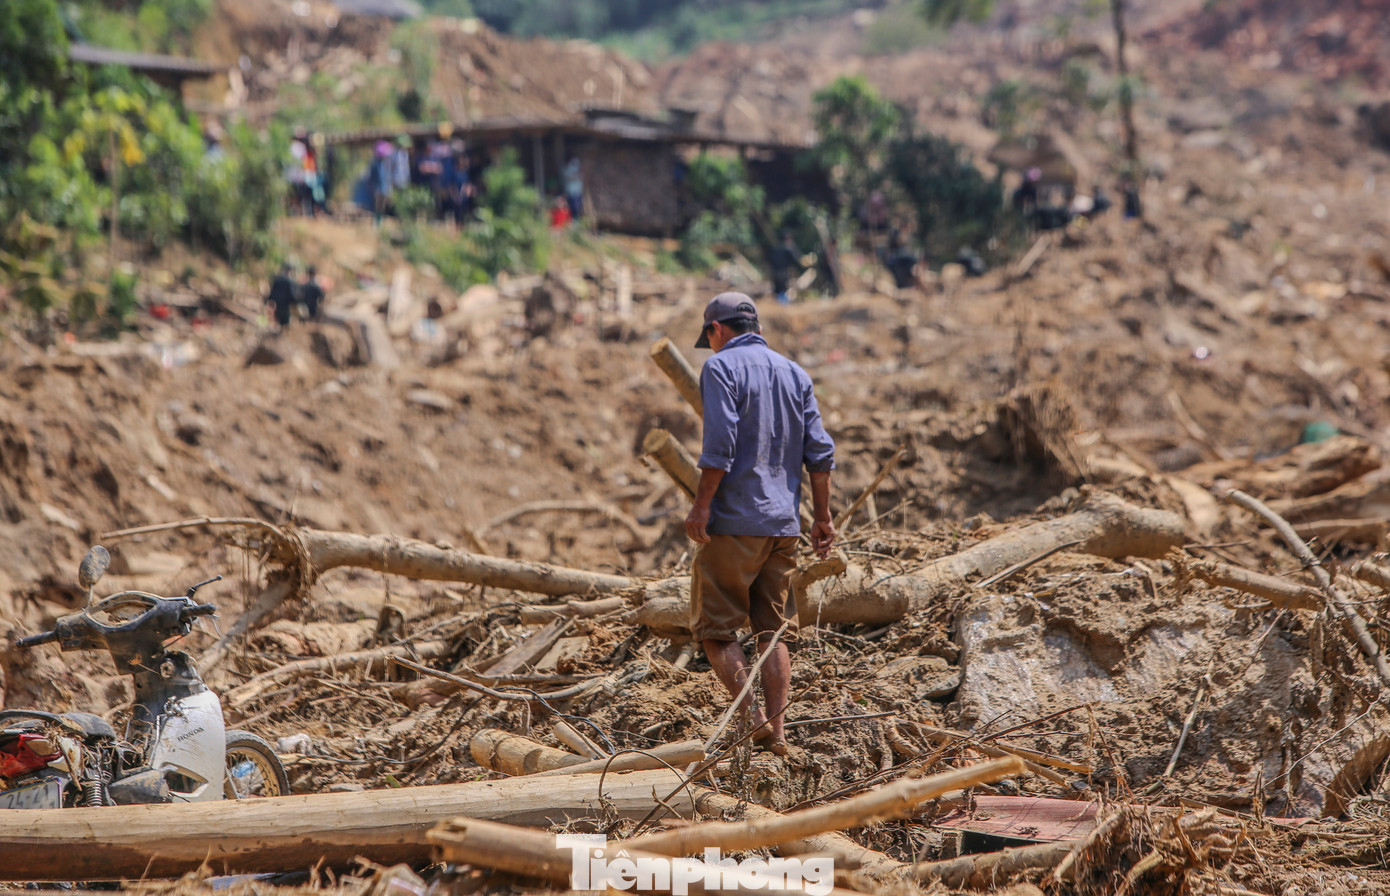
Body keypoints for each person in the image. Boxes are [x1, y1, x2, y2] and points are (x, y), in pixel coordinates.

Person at [686, 292, 836, 756]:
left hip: (734, 522)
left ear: (717, 330)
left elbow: (720, 444)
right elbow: (820, 451)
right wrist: (823, 516)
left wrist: (701, 506)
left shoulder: (720, 368)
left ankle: (751, 721)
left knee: (714, 631)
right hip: (783, 526)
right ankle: (779, 733)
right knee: (772, 632)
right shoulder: (795, 373)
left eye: (708, 337)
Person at [769, 230, 802, 305]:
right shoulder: (788, 248)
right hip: (783, 273)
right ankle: (783, 307)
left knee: (778, 292)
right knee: (783, 291)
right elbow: (796, 259)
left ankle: (779, 306)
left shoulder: (776, 248)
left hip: (774, 273)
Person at [266, 264, 296, 329]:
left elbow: (272, 293)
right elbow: (291, 295)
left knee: (277, 322)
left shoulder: (277, 280)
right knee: (285, 325)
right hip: (285, 307)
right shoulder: (289, 282)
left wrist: (269, 301)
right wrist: (295, 301)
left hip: (277, 306)